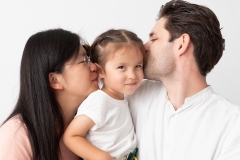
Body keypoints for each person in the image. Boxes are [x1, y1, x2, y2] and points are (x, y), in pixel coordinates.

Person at [127, 0, 240, 160]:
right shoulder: (132, 93)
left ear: (181, 44)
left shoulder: (233, 125)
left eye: (153, 39)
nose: (144, 47)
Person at [0, 28, 99, 160]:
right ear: (55, 80)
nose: (94, 67)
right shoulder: (15, 136)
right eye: (84, 61)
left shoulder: (85, 131)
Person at [63, 29, 145, 160]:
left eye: (138, 66)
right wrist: (101, 157)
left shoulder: (123, 98)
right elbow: (71, 136)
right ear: (100, 71)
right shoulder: (99, 100)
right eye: (121, 67)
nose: (132, 75)